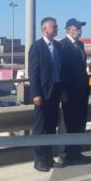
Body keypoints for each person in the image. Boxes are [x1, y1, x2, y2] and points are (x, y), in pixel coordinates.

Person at [28, 17, 63, 172]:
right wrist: (35, 93)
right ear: (45, 29)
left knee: (51, 127)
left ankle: (48, 157)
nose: (56, 29)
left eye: (56, 27)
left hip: (55, 92)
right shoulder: (37, 47)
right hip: (42, 94)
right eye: (54, 27)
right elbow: (33, 72)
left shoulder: (57, 46)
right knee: (40, 128)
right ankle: (39, 160)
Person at [59, 18, 90, 163]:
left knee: (80, 121)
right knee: (68, 123)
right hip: (69, 92)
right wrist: (63, 91)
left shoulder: (81, 45)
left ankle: (77, 151)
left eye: (80, 27)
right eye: (76, 27)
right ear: (68, 29)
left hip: (82, 91)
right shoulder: (62, 45)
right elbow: (61, 71)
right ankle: (67, 153)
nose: (79, 30)